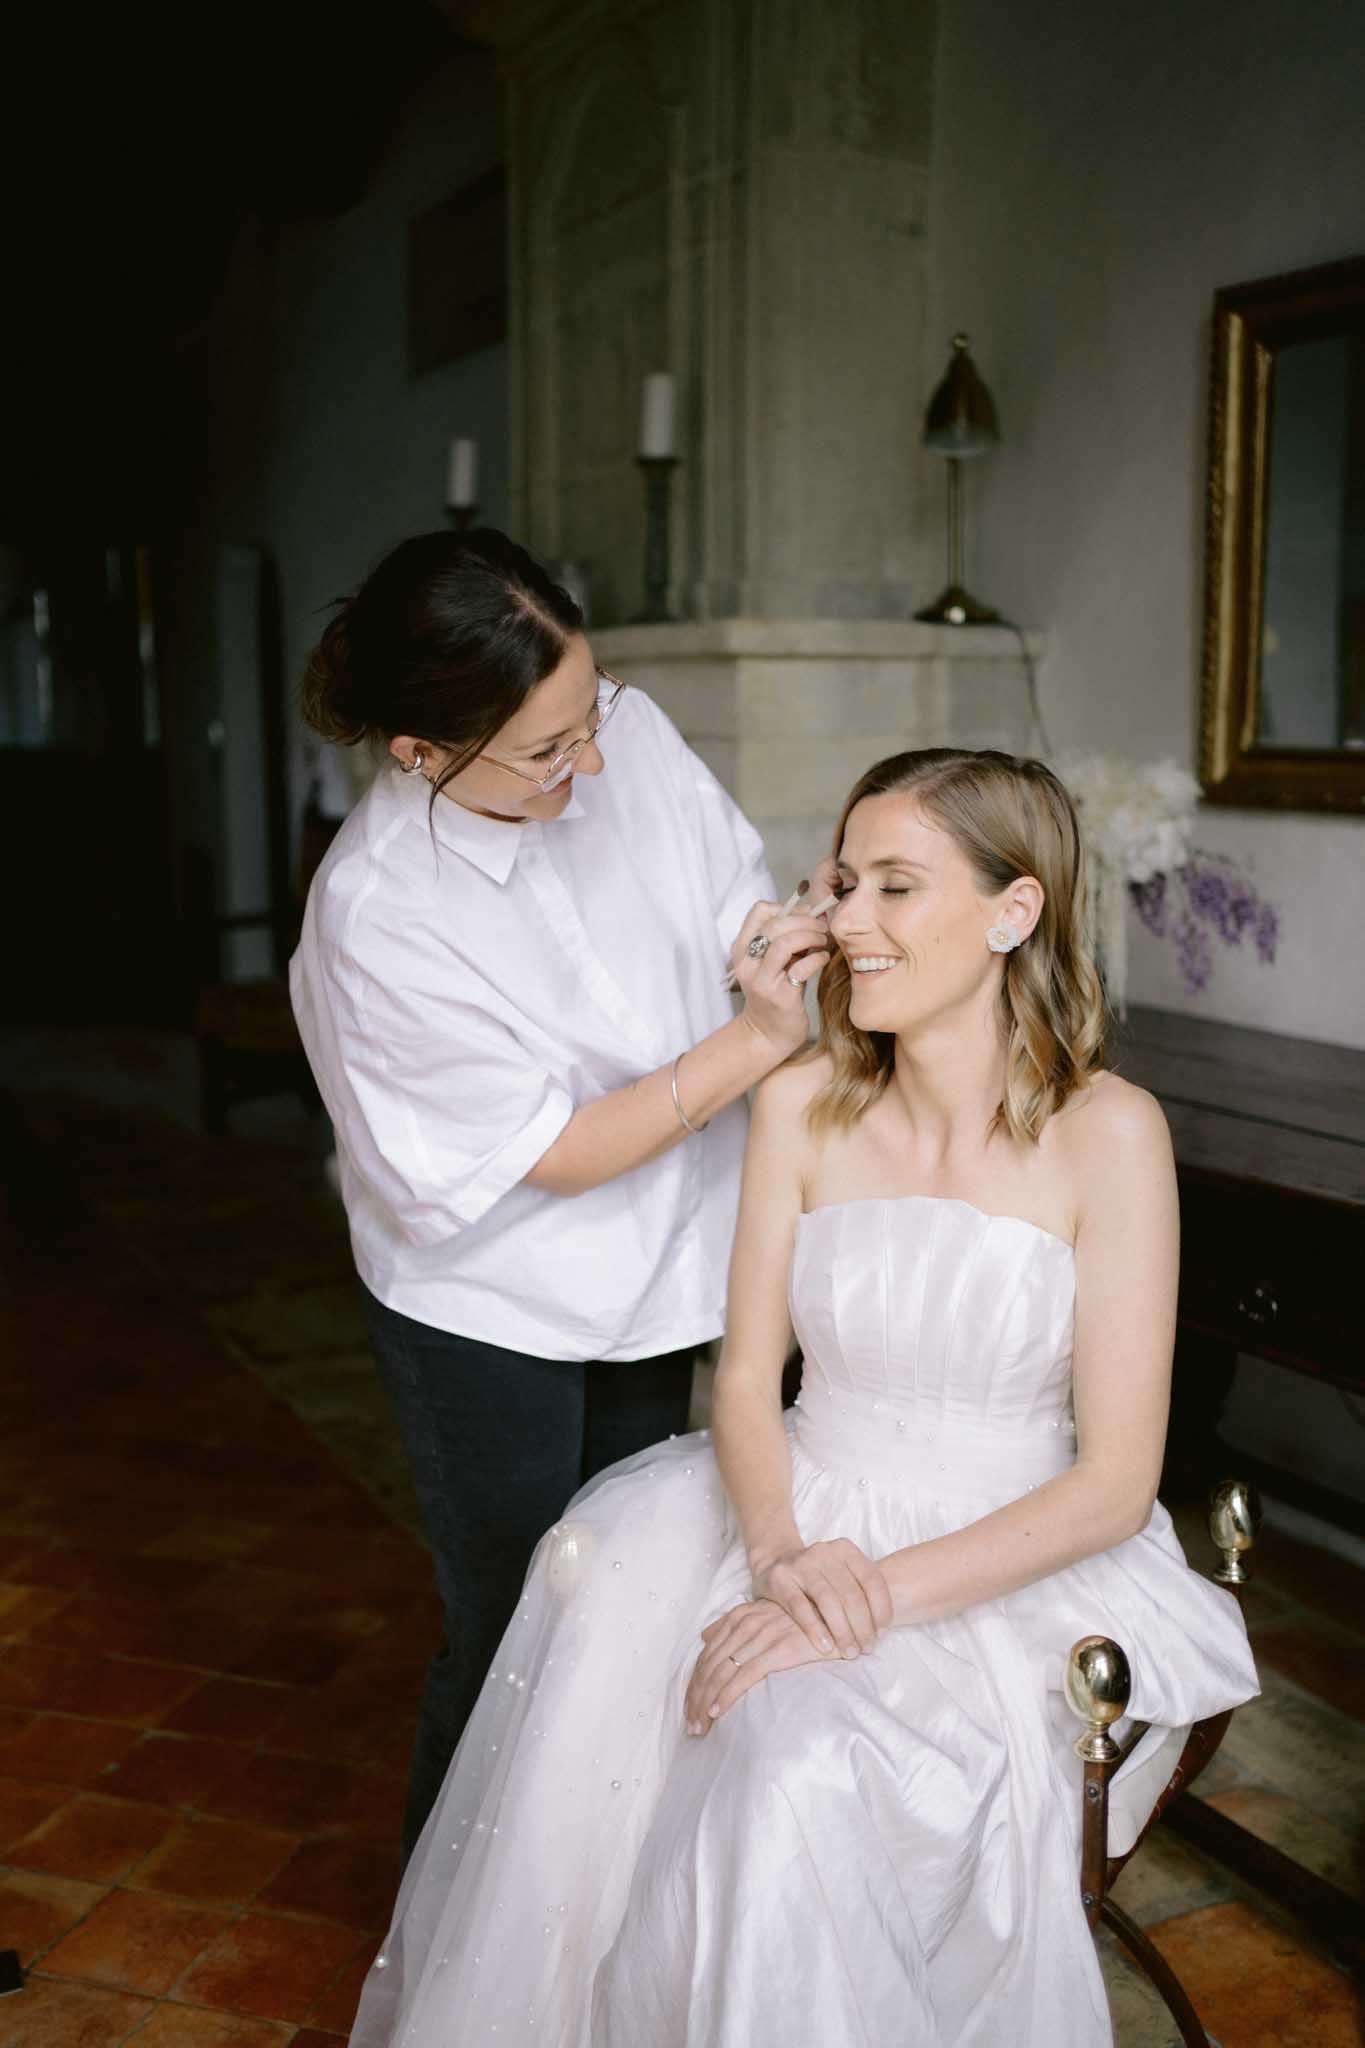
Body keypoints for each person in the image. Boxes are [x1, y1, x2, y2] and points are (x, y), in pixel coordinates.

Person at [346, 742, 1260, 2048]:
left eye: (895, 887)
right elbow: (738, 1383)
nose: (845, 921)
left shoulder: (1108, 1131)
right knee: (683, 1711)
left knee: (790, 1773)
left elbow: (1113, 1485)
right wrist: (778, 1559)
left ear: (1014, 912)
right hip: (790, 1504)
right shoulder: (800, 1105)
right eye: (840, 884)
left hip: (1006, 1555)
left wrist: (867, 1598)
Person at [290, 529, 832, 1859]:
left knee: (630, 1603)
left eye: (585, 718)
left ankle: (601, 1904)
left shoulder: (623, 743)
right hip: (492, 1296)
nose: (585, 763)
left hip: (658, 1265)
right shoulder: (377, 914)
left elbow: (725, 899)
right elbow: (559, 1151)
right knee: (517, 1628)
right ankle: (452, 1951)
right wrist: (756, 1045)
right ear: (418, 752)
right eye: (544, 751)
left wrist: (788, 939)